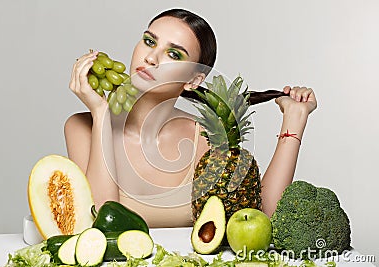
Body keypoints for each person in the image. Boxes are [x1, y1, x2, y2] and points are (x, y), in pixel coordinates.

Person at [65, 8, 317, 227]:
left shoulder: (206, 138)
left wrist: (294, 121)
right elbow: (100, 220)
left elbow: (261, 215)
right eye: (149, 41)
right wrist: (100, 114)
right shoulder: (82, 127)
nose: (151, 58)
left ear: (193, 80)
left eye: (174, 54)